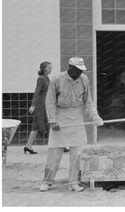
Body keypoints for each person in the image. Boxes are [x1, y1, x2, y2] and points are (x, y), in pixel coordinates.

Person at [39, 57, 103, 192]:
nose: (80, 73)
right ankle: (47, 181)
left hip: (76, 117)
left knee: (77, 153)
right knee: (54, 152)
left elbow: (88, 101)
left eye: (81, 70)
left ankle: (74, 182)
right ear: (70, 68)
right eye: (77, 70)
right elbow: (49, 101)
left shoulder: (84, 79)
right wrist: (52, 120)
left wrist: (95, 116)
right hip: (60, 115)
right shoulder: (57, 79)